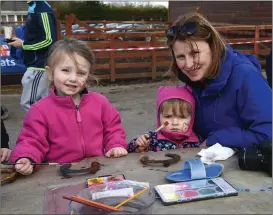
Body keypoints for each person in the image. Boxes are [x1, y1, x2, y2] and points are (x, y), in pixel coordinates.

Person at [9, 38, 128, 176]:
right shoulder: (39, 110)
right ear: (50, 73)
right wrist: (26, 157)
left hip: (98, 170)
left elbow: (113, 129)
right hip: (60, 174)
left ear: (88, 75)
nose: (73, 78)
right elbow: (31, 140)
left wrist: (116, 145)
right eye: (66, 70)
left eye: (81, 73)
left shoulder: (100, 102)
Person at [165, 12, 272, 149]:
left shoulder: (245, 76)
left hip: (241, 167)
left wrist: (217, 139)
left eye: (195, 53)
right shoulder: (193, 81)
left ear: (213, 48)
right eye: (180, 57)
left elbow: (268, 132)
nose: (189, 64)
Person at [8, 1, 57, 111]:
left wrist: (23, 45)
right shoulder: (34, 7)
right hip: (36, 65)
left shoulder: (42, 9)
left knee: (30, 104)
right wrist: (21, 42)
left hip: (39, 66)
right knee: (44, 104)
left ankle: (39, 128)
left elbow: (49, 40)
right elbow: (36, 37)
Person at [128, 86, 201, 152]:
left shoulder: (198, 141)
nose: (175, 123)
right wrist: (139, 145)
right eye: (168, 116)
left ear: (192, 118)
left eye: (182, 117)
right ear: (158, 116)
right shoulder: (151, 140)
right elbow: (129, 149)